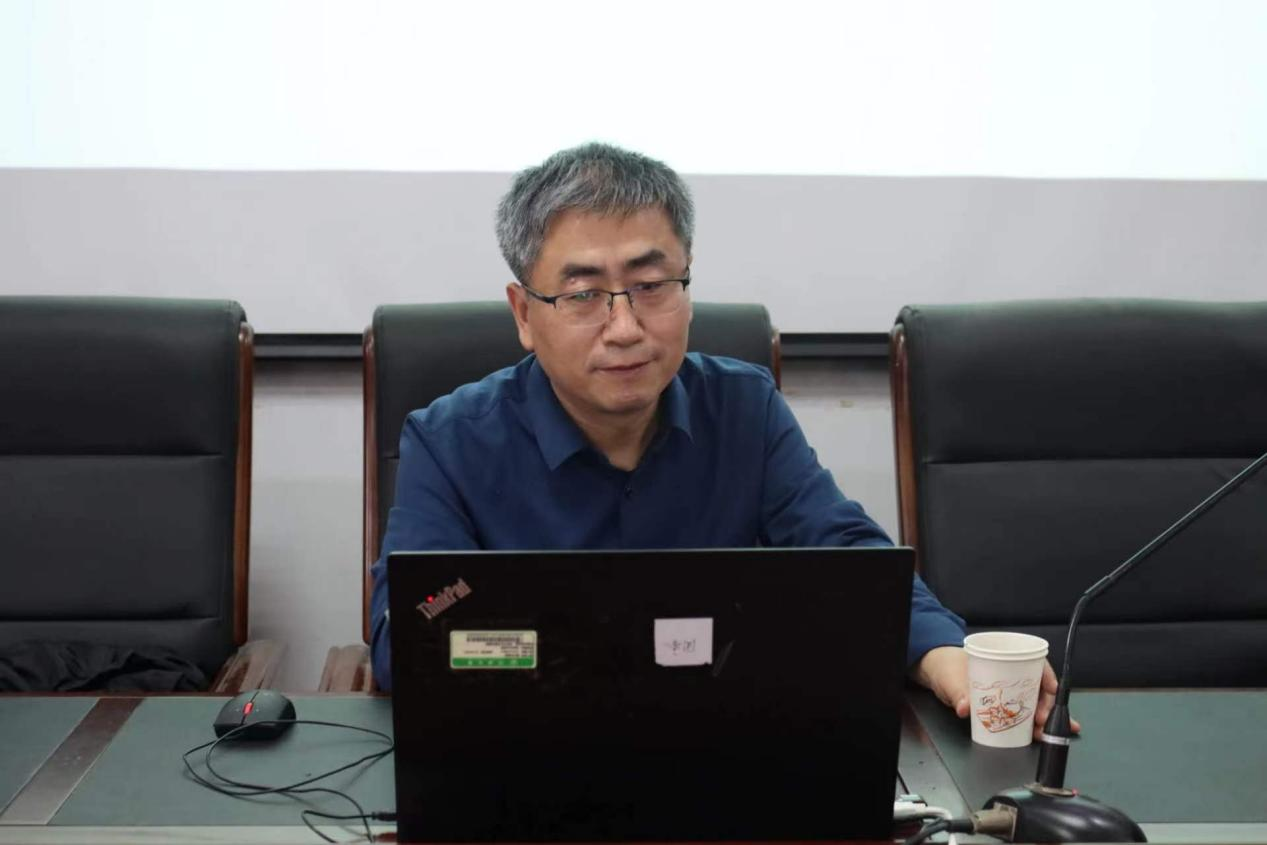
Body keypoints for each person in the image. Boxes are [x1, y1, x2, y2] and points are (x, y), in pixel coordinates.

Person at [370, 142, 1074, 738]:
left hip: (722, 743)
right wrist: (557, 649)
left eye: (651, 285)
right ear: (524, 313)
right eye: (582, 295)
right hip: (529, 746)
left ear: (686, 285)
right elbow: (411, 633)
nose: (624, 328)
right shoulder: (450, 442)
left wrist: (942, 653)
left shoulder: (744, 409)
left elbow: (845, 556)